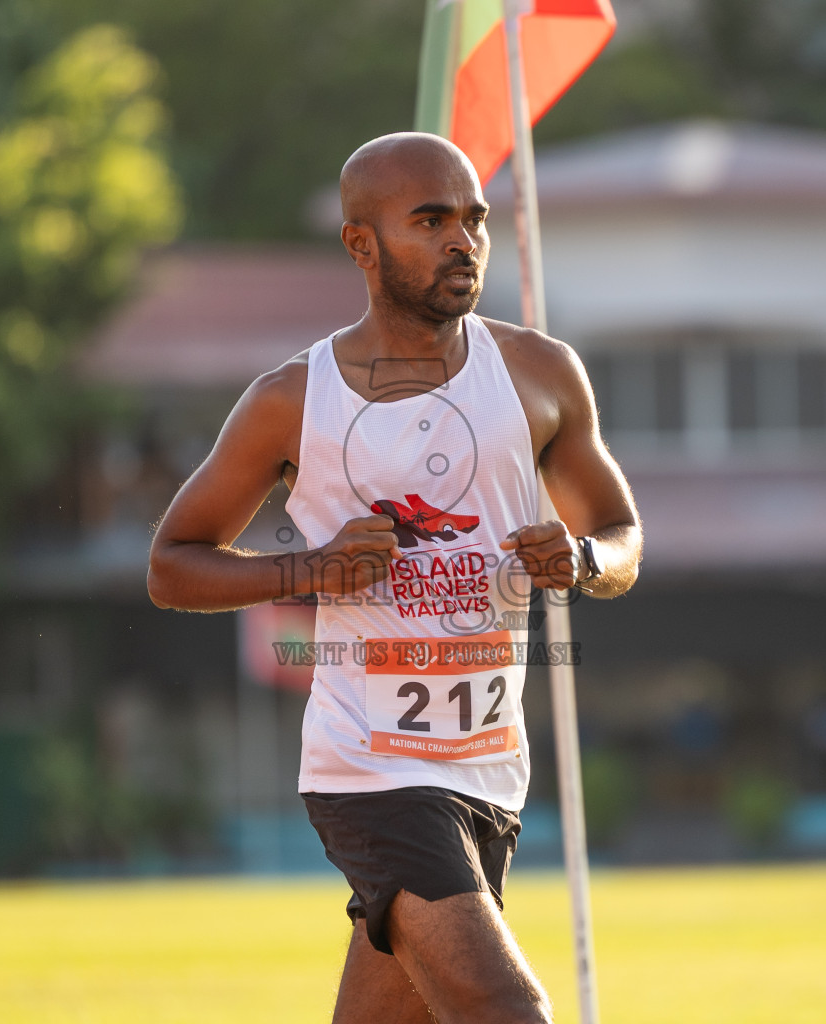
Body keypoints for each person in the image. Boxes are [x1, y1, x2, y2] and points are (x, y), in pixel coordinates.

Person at [147, 132, 642, 1024]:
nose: (465, 241)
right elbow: (172, 564)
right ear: (361, 243)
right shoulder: (293, 400)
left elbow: (620, 531)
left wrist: (583, 560)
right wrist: (311, 568)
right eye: (432, 220)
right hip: (370, 772)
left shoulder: (539, 373)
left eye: (475, 219)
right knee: (506, 1011)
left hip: (489, 772)